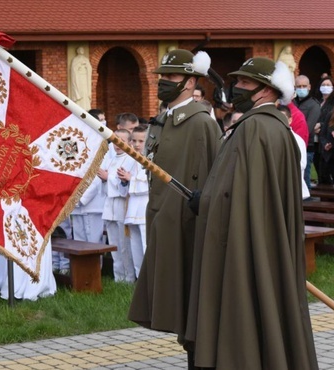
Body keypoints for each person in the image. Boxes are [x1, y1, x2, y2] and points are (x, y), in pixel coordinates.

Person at [185, 57, 318, 369]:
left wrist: (205, 201)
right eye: (239, 81)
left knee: (242, 311)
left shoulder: (255, 128)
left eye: (245, 82)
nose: (237, 87)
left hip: (243, 244)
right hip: (264, 239)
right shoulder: (274, 127)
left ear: (267, 89)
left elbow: (236, 193)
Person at [128, 49, 221, 368]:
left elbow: (212, 178)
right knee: (179, 310)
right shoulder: (164, 121)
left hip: (189, 229)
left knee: (194, 310)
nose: (164, 82)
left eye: (172, 77)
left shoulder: (200, 123)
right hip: (163, 222)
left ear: (191, 81)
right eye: (162, 77)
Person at [98, 129, 137, 283]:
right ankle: (118, 276)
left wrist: (109, 177)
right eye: (115, 139)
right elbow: (105, 182)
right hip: (110, 206)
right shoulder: (111, 159)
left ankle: (129, 277)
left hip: (122, 205)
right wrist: (104, 179)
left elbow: (125, 184)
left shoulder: (131, 159)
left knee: (124, 245)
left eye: (122, 140)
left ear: (129, 142)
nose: (118, 144)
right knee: (114, 244)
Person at [118, 126, 149, 278]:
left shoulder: (152, 159)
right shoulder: (130, 160)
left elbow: (153, 184)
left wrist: (131, 179)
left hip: (145, 208)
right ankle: (138, 277)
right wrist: (124, 181)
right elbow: (123, 190)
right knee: (135, 247)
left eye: (141, 141)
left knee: (146, 246)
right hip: (132, 209)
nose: (137, 144)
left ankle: (149, 279)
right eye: (134, 141)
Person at [294, 75, 321, 189]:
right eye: (299, 86)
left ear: (309, 87)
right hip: (291, 145)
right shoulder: (292, 103)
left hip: (306, 146)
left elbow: (308, 128)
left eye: (304, 86)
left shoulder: (313, 105)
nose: (301, 88)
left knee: (304, 177)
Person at [278, 105, 310, 199]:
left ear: (290, 120)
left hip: (291, 186)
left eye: (283, 118)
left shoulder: (297, 140)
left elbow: (301, 164)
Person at [314, 76, 334, 185]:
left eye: (328, 85)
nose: (325, 87)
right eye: (323, 85)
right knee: (316, 163)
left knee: (325, 169)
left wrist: (321, 125)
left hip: (326, 139)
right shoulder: (317, 102)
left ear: (333, 87)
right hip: (314, 139)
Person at [70, 47, 93, 111]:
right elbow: (73, 69)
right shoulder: (75, 59)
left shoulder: (86, 59)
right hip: (79, 77)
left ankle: (86, 107)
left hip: (85, 77)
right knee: (80, 91)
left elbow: (90, 68)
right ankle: (79, 106)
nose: (82, 50)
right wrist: (80, 64)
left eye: (83, 49)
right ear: (78, 51)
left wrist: (86, 66)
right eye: (80, 49)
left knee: (85, 92)